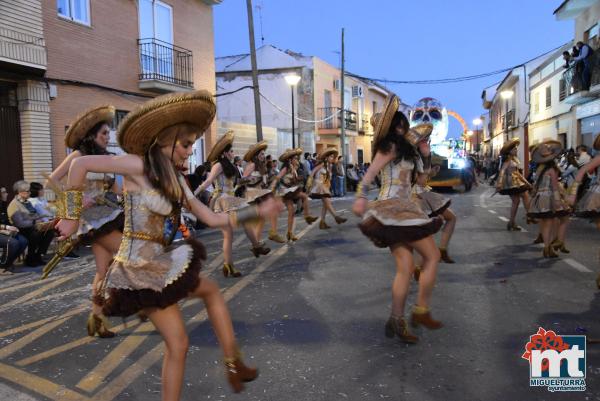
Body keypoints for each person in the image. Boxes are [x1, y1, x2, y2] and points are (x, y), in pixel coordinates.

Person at [55, 90, 283, 399]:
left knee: (207, 300)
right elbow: (78, 168)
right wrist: (70, 216)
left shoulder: (175, 179)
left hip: (161, 263)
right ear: (165, 140)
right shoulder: (136, 165)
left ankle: (234, 363)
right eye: (186, 144)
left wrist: (257, 211)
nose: (191, 151)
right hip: (140, 271)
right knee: (178, 345)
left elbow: (212, 218)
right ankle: (230, 365)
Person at [352, 95, 443, 344]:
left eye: (404, 125)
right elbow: (370, 172)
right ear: (396, 127)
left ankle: (396, 319)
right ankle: (421, 309)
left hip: (404, 208)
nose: (405, 128)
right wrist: (360, 196)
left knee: (404, 268)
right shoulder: (389, 147)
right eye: (401, 124)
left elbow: (422, 182)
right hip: (393, 208)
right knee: (432, 256)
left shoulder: (408, 151)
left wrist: (425, 154)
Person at [47, 105, 124, 337]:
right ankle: (144, 304)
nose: (108, 137)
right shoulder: (77, 156)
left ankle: (96, 320)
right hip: (92, 222)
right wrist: (76, 203)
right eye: (104, 134)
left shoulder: (106, 159)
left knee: (103, 271)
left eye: (109, 134)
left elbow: (119, 190)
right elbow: (51, 181)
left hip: (109, 216)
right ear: (91, 135)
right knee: (130, 255)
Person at [195, 131, 271, 278]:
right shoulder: (218, 165)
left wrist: (246, 182)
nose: (233, 153)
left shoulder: (228, 165)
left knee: (229, 235)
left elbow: (234, 185)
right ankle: (255, 247)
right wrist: (194, 193)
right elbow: (209, 181)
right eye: (231, 151)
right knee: (245, 219)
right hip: (222, 200)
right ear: (224, 153)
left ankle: (228, 265)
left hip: (229, 198)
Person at [527, 140, 570, 258]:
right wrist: (558, 202)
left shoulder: (539, 168)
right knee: (554, 222)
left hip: (540, 198)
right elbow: (555, 187)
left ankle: (547, 247)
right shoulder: (552, 170)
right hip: (549, 197)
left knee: (545, 223)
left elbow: (535, 185)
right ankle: (553, 244)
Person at [413, 158, 457, 265]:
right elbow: (420, 181)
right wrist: (429, 172)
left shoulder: (411, 157)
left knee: (422, 230)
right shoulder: (418, 159)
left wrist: (430, 173)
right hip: (419, 195)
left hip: (409, 195)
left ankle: (439, 252)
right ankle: (421, 265)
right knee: (424, 231)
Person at [240, 141, 283, 244]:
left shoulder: (262, 166)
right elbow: (242, 180)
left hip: (261, 193)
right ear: (256, 155)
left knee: (262, 219)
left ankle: (258, 243)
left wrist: (270, 182)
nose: (264, 156)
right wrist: (253, 180)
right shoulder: (252, 165)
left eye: (264, 154)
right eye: (262, 154)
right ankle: (265, 238)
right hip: (253, 195)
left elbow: (264, 182)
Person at [271, 148, 318, 241]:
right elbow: (278, 177)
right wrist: (272, 188)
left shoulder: (294, 168)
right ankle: (307, 216)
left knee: (291, 212)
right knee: (303, 196)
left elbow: (295, 179)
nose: (297, 160)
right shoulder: (286, 168)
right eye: (295, 158)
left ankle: (289, 233)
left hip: (290, 191)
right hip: (284, 192)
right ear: (290, 160)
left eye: (297, 158)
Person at [7, 180, 55, 267]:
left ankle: (38, 255)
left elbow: (34, 215)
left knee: (49, 232)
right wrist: (34, 222)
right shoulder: (14, 204)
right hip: (20, 229)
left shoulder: (27, 202)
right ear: (20, 192)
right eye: (27, 191)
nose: (30, 193)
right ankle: (30, 257)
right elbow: (19, 223)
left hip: (30, 227)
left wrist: (40, 218)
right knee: (35, 234)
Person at [495, 139, 532, 230]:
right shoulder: (507, 160)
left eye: (516, 149)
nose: (516, 150)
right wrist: (499, 183)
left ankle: (511, 222)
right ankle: (529, 215)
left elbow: (518, 173)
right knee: (525, 194)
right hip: (511, 182)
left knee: (516, 201)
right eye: (514, 149)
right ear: (509, 151)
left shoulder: (513, 159)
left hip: (515, 181)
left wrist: (527, 182)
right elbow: (502, 170)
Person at [307, 148, 347, 229]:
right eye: (331, 156)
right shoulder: (322, 164)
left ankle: (322, 222)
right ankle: (336, 217)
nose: (332, 158)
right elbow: (313, 172)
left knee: (325, 205)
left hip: (325, 186)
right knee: (327, 203)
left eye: (333, 157)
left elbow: (328, 178)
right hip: (319, 185)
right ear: (326, 157)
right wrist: (309, 182)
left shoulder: (330, 166)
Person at [0, 187, 28, 274]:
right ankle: (2, 267)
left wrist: (13, 227)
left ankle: (8, 262)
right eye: (4, 192)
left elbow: (7, 220)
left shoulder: (3, 204)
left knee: (23, 241)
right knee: (13, 243)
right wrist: (7, 228)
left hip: (4, 231)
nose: (7, 194)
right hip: (2, 231)